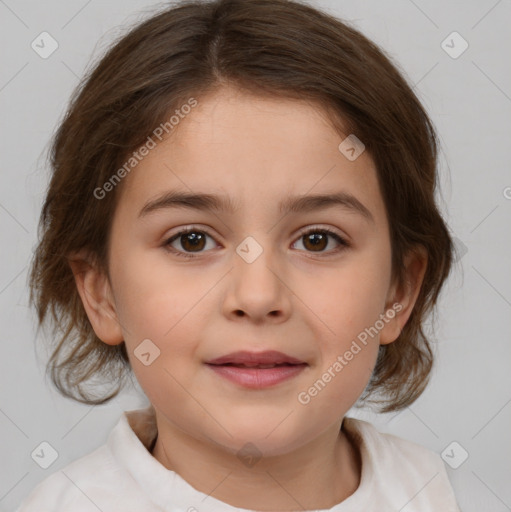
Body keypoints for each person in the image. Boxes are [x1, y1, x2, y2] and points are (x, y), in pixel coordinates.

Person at [17, 0, 461, 509]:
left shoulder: (427, 488)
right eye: (191, 240)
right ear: (100, 293)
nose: (257, 296)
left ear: (399, 291)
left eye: (318, 239)